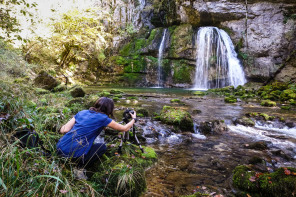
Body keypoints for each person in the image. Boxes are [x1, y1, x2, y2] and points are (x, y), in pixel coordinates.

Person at [56, 97, 137, 168]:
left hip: (59, 148)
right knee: (102, 147)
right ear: (109, 109)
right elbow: (124, 128)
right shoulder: (104, 118)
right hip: (73, 155)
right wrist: (134, 119)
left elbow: (63, 130)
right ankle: (79, 167)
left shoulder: (82, 112)